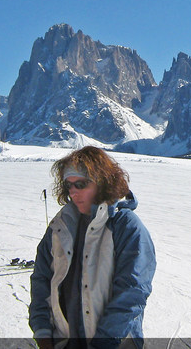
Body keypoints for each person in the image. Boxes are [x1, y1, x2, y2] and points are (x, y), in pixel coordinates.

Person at [28, 146, 153, 349]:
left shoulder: (125, 226)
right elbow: (42, 280)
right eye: (69, 186)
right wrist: (43, 332)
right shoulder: (60, 226)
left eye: (81, 184)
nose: (73, 192)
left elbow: (133, 291)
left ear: (102, 182)